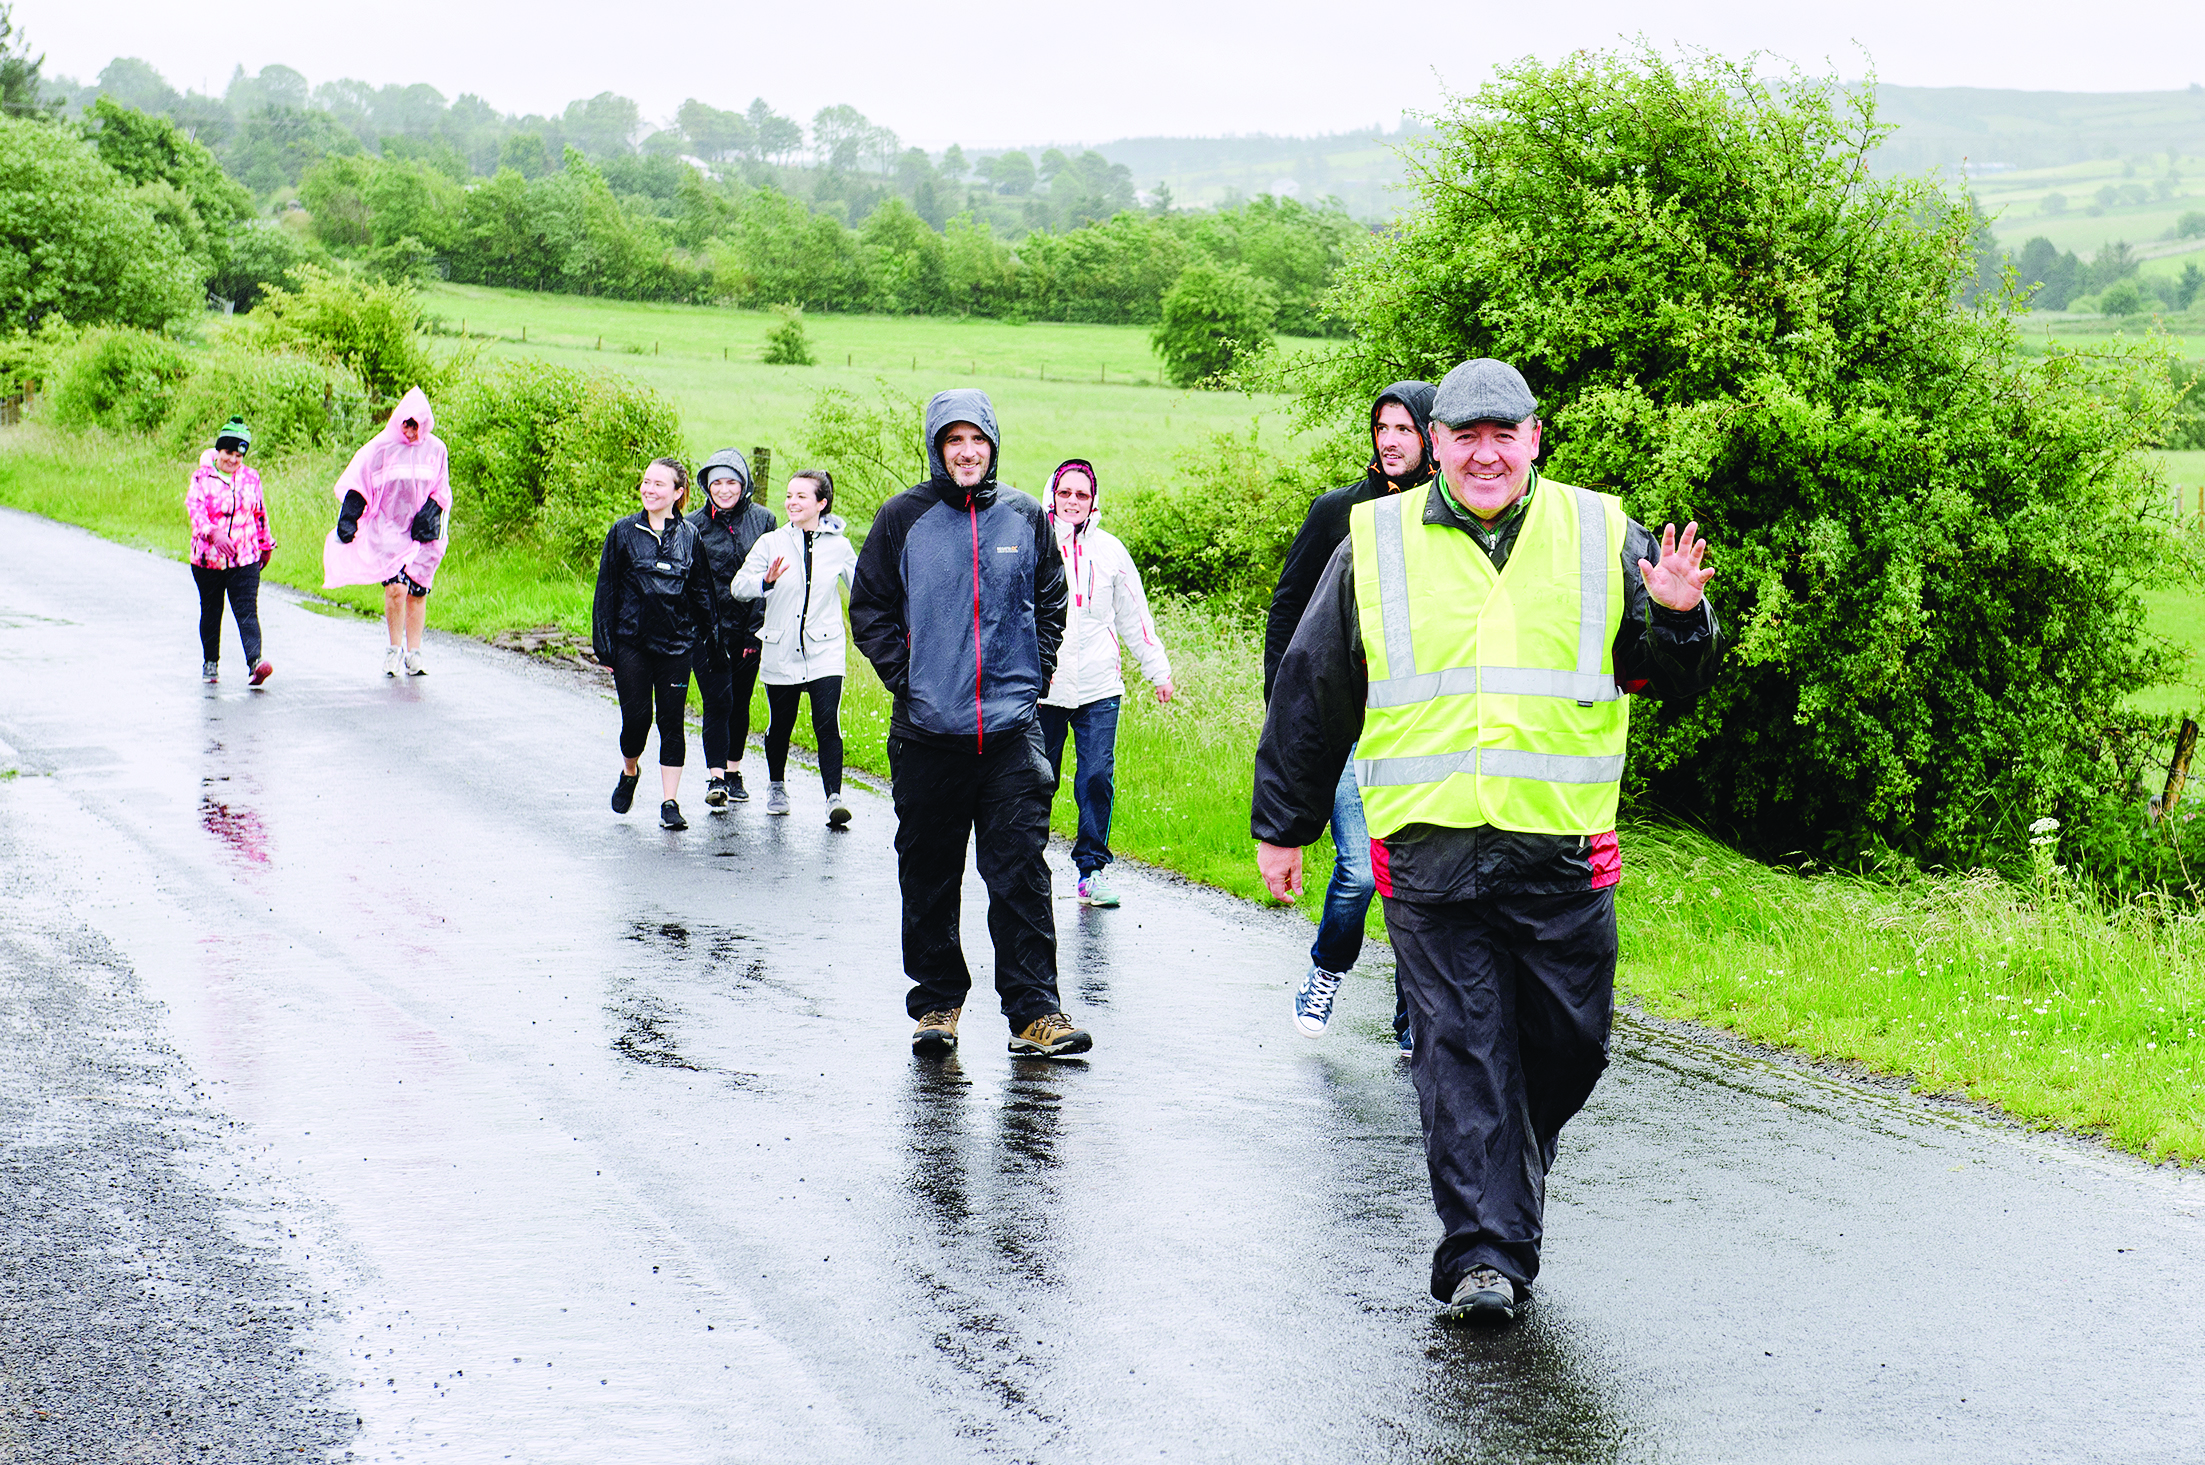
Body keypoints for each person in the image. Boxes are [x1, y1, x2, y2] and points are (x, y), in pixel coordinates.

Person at [1252, 358, 1724, 1325]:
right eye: (1463, 435)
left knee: (1570, 1048)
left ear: (1534, 439)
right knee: (1460, 1051)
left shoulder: (1600, 531)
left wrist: (1679, 618)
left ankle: (1501, 1173)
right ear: (1433, 445)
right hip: (1427, 853)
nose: (1483, 453)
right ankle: (1482, 1257)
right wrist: (1285, 822)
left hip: (1560, 852)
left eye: (1502, 434)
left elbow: (1670, 678)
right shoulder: (1374, 541)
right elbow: (1314, 686)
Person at [849, 389, 1089, 1059]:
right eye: (953, 440)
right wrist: (909, 676)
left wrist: (1034, 672)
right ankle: (935, 1004)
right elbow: (868, 606)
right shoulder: (902, 518)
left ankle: (1034, 1013)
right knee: (928, 872)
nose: (966, 451)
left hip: (1011, 732)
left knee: (1018, 874)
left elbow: (1051, 594)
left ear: (992, 443)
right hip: (928, 733)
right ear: (936, 447)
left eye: (976, 439)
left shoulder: (1022, 515)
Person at [1264, 381, 1437, 1049]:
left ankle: (1412, 1015)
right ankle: (1325, 970)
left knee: (1418, 879)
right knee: (1363, 868)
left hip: (1425, 729)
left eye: (1403, 428)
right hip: (1349, 727)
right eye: (1381, 427)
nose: (1389, 440)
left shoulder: (1450, 518)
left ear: (1429, 438)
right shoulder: (1338, 512)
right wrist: (1287, 716)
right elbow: (1286, 614)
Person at [1037, 458, 1174, 909]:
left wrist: (1158, 669)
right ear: (1053, 495)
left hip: (1099, 686)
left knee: (1096, 777)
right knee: (1038, 778)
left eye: (1082, 494)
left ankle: (1090, 871)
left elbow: (1134, 615)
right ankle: (1024, 863)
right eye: (1065, 493)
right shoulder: (1034, 540)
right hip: (1046, 687)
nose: (1073, 502)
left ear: (1093, 500)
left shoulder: (1111, 550)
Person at [592, 457, 716, 832]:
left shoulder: (690, 536)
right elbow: (606, 590)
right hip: (632, 642)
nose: (649, 489)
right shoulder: (623, 531)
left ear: (678, 493)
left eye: (659, 484)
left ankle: (670, 802)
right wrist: (605, 646)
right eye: (646, 482)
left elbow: (702, 594)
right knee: (637, 721)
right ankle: (630, 771)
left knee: (671, 722)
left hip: (676, 646)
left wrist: (711, 641)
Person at [731, 469, 858, 826]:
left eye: (801, 496)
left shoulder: (839, 546)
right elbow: (738, 587)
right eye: (789, 496)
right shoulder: (771, 542)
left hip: (825, 649)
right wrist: (764, 582)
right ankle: (776, 786)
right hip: (780, 646)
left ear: (822, 503)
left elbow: (864, 588)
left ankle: (834, 798)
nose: (791, 502)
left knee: (826, 722)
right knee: (781, 723)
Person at [323, 387, 451, 677]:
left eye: (415, 424)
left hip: (422, 534)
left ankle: (414, 653)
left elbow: (442, 489)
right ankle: (394, 650)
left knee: (417, 592)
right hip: (389, 531)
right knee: (396, 589)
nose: (409, 430)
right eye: (405, 423)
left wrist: (431, 512)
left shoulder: (436, 449)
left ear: (425, 424)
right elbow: (360, 480)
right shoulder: (381, 448)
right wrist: (349, 517)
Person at [688, 449, 776, 807]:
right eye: (717, 483)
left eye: (731, 482)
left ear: (744, 485)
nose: (724, 490)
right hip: (706, 628)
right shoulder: (692, 524)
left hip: (748, 627)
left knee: (740, 701)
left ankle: (734, 771)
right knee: (717, 699)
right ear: (707, 487)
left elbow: (768, 578)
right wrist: (702, 627)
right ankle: (716, 777)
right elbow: (690, 580)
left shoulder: (764, 520)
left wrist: (756, 631)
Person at [186, 415, 276, 687]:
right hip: (207, 560)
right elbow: (195, 509)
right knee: (212, 611)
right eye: (228, 453)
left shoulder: (251, 478)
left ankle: (255, 663)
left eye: (239, 455)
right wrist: (213, 533)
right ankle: (210, 662)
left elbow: (260, 513)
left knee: (247, 609)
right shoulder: (202, 477)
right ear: (218, 451)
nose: (233, 460)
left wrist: (265, 545)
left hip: (244, 557)